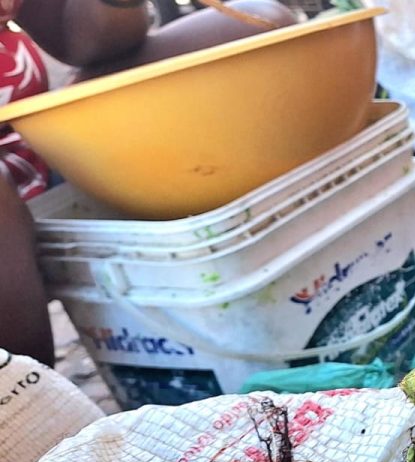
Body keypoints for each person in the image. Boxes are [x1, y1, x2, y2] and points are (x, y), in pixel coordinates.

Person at [0, 0, 296, 365]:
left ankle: (269, 278)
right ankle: (28, 402)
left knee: (256, 24)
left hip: (35, 151)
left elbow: (81, 39)